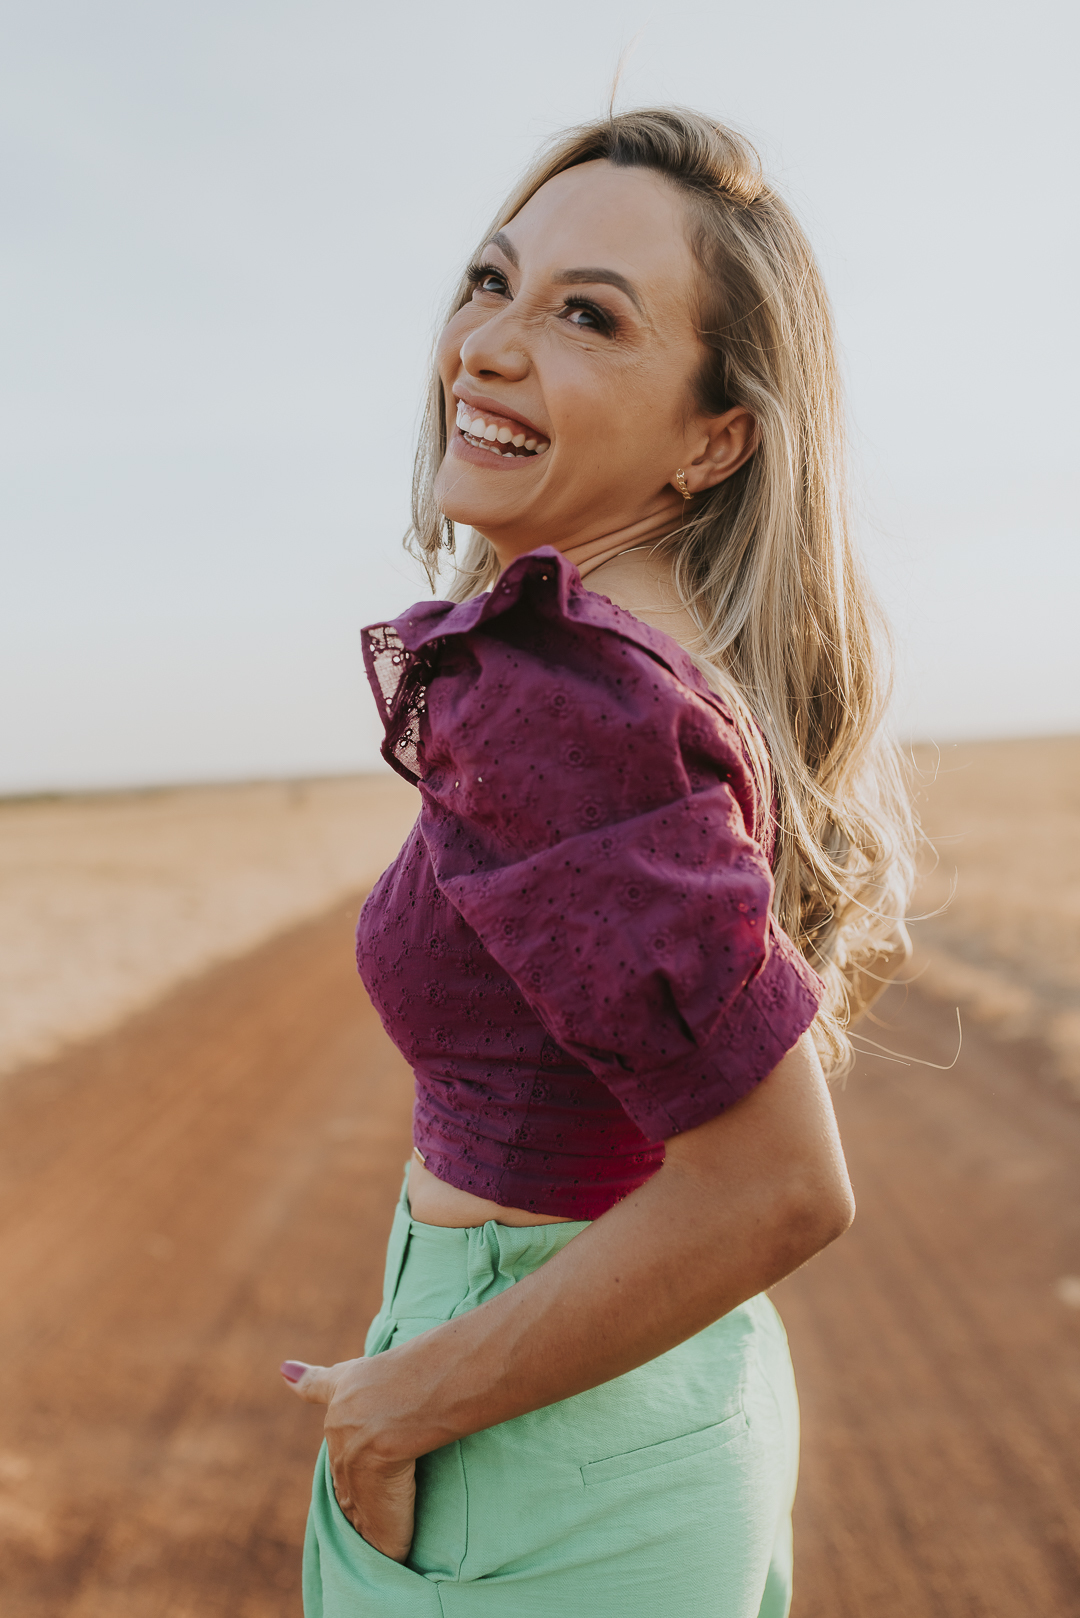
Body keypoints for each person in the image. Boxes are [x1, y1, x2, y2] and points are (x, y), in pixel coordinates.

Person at [281, 107, 915, 1618]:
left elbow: (778, 1184)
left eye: (589, 317)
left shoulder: (563, 682)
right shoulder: (670, 660)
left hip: (530, 1455)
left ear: (716, 437)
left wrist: (401, 1403)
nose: (485, 349)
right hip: (663, 1392)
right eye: (491, 282)